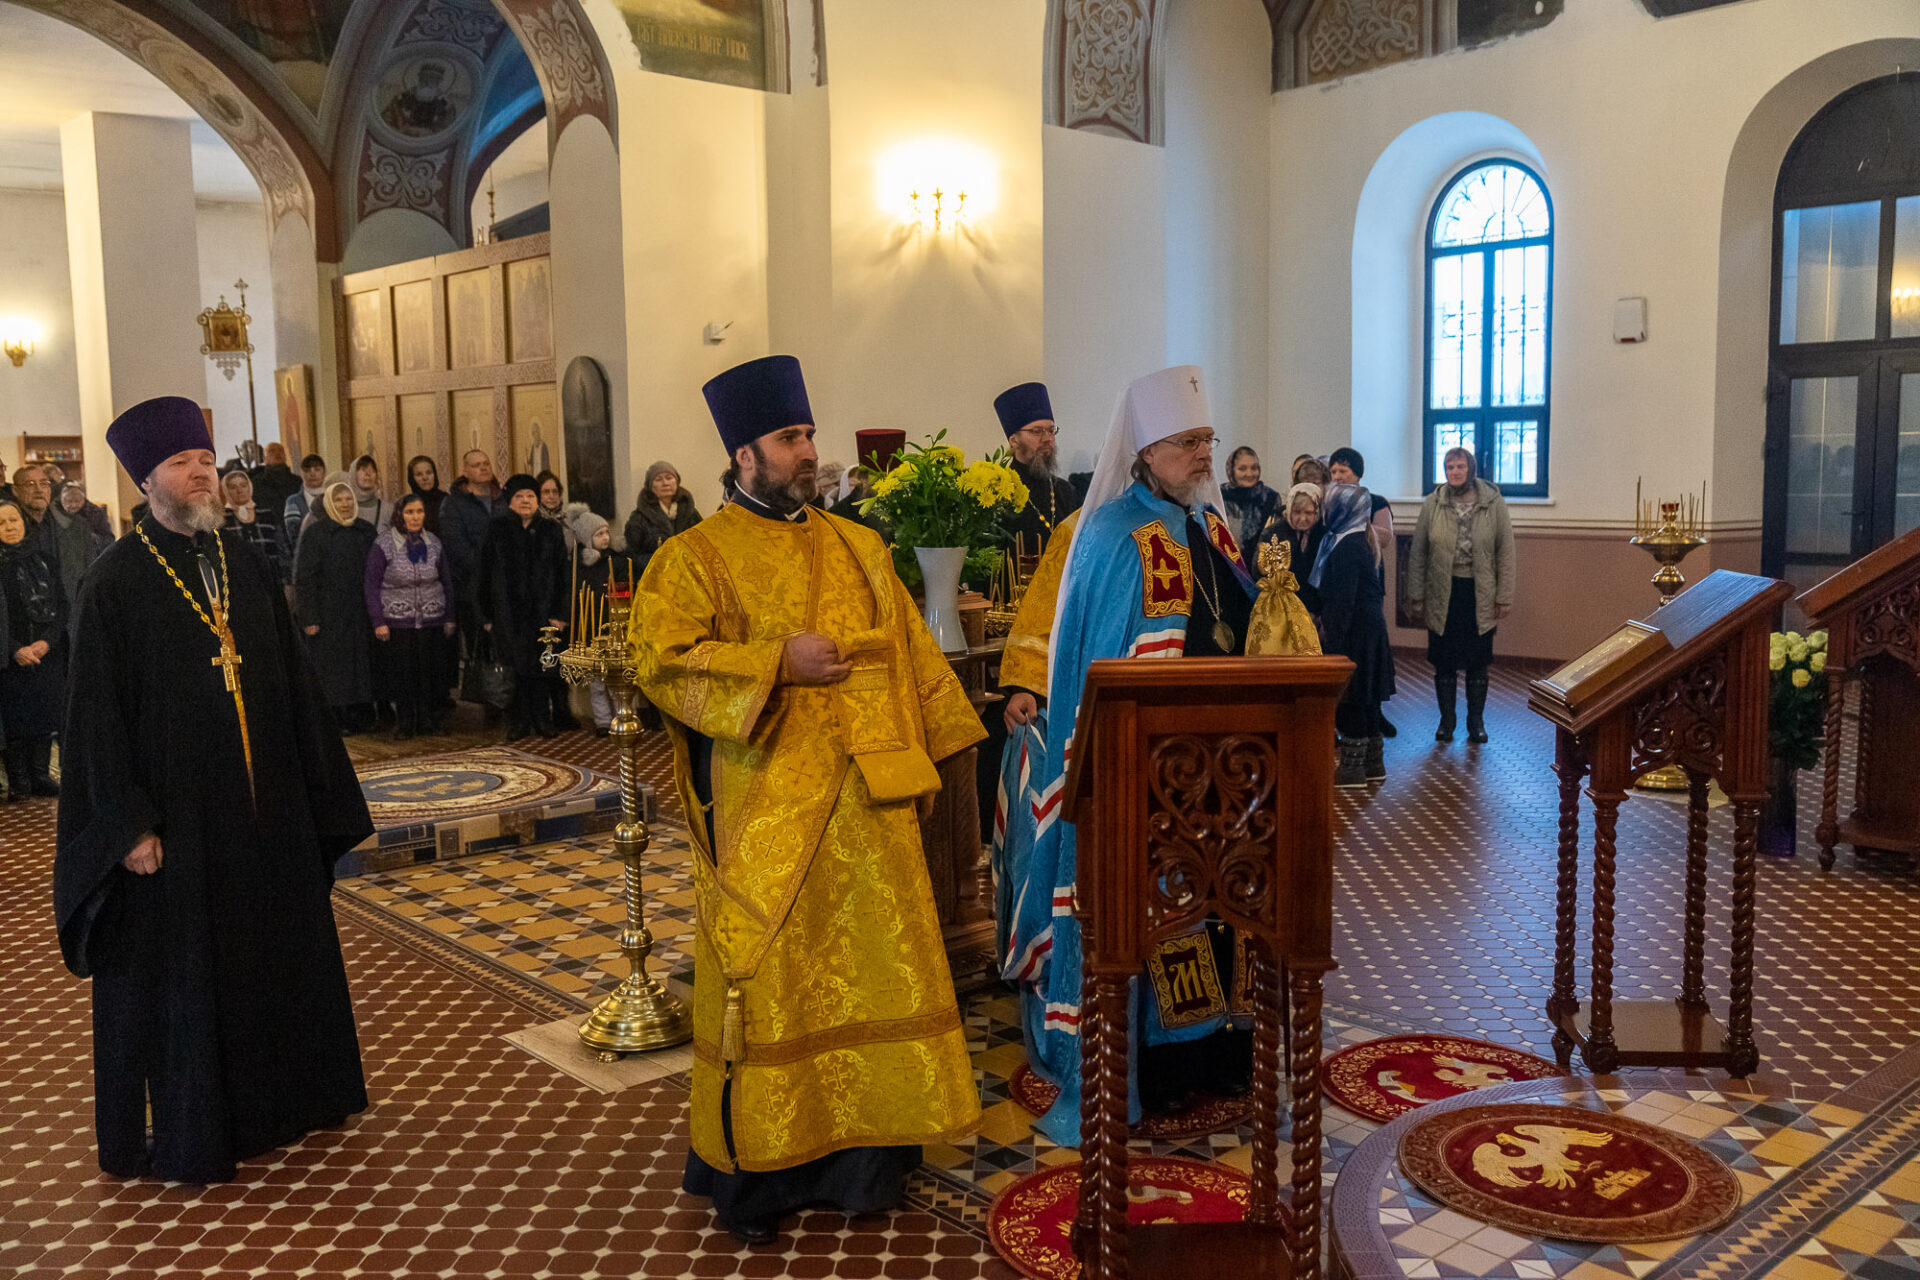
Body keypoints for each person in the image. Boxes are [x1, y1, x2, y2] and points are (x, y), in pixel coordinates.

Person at [633, 355, 983, 1246]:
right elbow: (661, 661)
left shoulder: (859, 544)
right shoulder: (693, 559)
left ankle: (870, 1163)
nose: (808, 453)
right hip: (766, 815)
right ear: (743, 454)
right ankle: (767, 1171)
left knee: (876, 966)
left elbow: (912, 657)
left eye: (809, 435)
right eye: (790, 439)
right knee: (778, 981)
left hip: (873, 804)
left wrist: (945, 765)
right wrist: (773, 664)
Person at [53, 395, 370, 1183]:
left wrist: (317, 793)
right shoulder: (115, 583)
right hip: (182, 825)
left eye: (204, 462)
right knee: (200, 977)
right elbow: (93, 720)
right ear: (146, 482)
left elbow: (293, 685)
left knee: (281, 955)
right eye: (180, 465)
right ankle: (212, 1122)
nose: (200, 476)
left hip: (270, 816)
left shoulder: (244, 564)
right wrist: (127, 826)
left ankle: (294, 1100)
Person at [1007, 365, 1257, 1147]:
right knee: (1157, 913)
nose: (1204, 454)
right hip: (1147, 770)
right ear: (1147, 451)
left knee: (1217, 912)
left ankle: (1218, 1049)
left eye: (1208, 440)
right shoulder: (1115, 534)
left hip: (1230, 765)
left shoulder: (1214, 528)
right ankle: (1153, 1061)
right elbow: (1105, 661)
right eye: (1189, 443)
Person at [1406, 447, 1515, 744]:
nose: (1454, 471)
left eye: (1460, 466)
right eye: (1449, 466)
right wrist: (1415, 594)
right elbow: (1418, 552)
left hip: (1478, 592)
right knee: (1444, 661)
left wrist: (1504, 595)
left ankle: (1475, 722)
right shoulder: (1434, 503)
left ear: (1471, 469)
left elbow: (1505, 551)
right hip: (1443, 592)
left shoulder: (1492, 502)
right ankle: (1447, 721)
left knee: (1478, 662)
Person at [1303, 483, 1395, 787]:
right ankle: (1373, 765)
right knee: (1367, 700)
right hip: (1368, 629)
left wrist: (1333, 644)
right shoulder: (1354, 537)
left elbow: (1343, 600)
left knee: (1351, 699)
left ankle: (1353, 770)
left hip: (1354, 632)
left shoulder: (1347, 546)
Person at [477, 474, 569, 739]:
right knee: (516, 670)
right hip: (508, 615)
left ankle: (542, 719)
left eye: (530, 496)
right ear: (510, 500)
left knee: (543, 668)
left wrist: (561, 614)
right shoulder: (497, 529)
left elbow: (563, 574)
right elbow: (482, 574)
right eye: (519, 496)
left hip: (544, 616)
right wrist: (485, 616)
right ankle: (518, 722)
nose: (526, 501)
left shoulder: (550, 530)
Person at [366, 494, 455, 740]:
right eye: (410, 512)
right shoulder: (384, 544)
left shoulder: (434, 542)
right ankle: (405, 722)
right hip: (398, 621)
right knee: (403, 674)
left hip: (431, 619)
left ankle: (426, 721)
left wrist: (449, 616)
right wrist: (379, 621)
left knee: (429, 672)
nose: (415, 517)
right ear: (399, 515)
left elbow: (445, 580)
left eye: (419, 512)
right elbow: (371, 585)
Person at [294, 480, 378, 733]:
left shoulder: (365, 531)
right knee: (334, 667)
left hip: (362, 611)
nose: (344, 504)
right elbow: (305, 578)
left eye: (348, 499)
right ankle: (337, 718)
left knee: (362, 664)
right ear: (329, 503)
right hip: (328, 613)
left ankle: (363, 713)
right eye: (339, 499)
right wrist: (309, 618)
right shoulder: (316, 533)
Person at [1326, 447, 1398, 737]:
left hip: (1364, 586)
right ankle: (1365, 730)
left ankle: (1371, 719)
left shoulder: (1374, 503)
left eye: (1343, 470)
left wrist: (1356, 522)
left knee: (1365, 659)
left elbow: (1386, 537)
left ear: (1357, 472)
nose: (1337, 476)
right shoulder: (1330, 503)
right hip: (1343, 586)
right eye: (1333, 471)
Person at [0, 498, 66, 798]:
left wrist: (47, 642)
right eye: (1, 522)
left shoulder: (45, 560)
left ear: (24, 521)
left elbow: (63, 606)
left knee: (44, 715)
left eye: (13, 519)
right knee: (14, 719)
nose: (9, 527)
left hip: (45, 652)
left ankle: (40, 776)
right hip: (9, 655)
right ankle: (19, 781)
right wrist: (15, 649)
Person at [563, 503, 633, 734]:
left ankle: (623, 715)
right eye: (598, 534)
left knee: (616, 678)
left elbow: (624, 589)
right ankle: (603, 721)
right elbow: (575, 595)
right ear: (585, 538)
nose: (604, 538)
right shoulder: (579, 565)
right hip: (592, 628)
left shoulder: (617, 560)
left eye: (605, 533)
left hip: (614, 625)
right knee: (597, 681)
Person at [992, 382, 1081, 558]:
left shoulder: (1066, 492)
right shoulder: (998, 494)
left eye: (1051, 430)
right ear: (1013, 440)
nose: (1048, 439)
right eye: (1037, 431)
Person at [442, 449, 503, 697]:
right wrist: (485, 572)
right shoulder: (454, 504)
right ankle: (487, 697)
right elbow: (456, 545)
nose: (483, 468)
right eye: (477, 465)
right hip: (471, 588)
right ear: (466, 471)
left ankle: (506, 695)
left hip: (504, 586)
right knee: (481, 644)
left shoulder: (503, 499)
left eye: (486, 463)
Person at [12, 463, 100, 610]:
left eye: (44, 483)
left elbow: (90, 576)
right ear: (15, 490)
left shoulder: (76, 526)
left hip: (69, 618)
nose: (39, 490)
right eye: (30, 484)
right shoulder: (8, 529)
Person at [623, 461, 702, 571]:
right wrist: (661, 561)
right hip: (656, 578)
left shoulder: (691, 513)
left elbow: (702, 546)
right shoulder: (639, 518)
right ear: (651, 486)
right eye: (658, 479)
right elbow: (631, 556)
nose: (665, 483)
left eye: (669, 478)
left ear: (676, 481)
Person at [221, 466, 284, 585]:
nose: (239, 490)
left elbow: (281, 548)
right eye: (233, 487)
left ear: (249, 487)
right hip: (237, 582)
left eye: (243, 485)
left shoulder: (267, 514)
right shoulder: (221, 519)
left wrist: (286, 579)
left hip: (271, 579)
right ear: (226, 490)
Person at [1221, 445, 1279, 555]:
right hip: (1228, 564)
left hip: (1261, 565)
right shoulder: (1220, 496)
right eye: (1242, 469)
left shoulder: (1270, 498)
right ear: (1231, 470)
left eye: (1254, 468)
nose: (1249, 474)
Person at [1262, 481, 1325, 574]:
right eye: (1297, 512)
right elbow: (1260, 570)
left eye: (1308, 512)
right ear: (1289, 510)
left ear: (1317, 511)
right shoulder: (1273, 534)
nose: (1302, 519)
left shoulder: (1324, 536)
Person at [280, 453, 329, 563]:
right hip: (305, 559)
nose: (312, 474)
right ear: (301, 473)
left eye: (317, 469)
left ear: (324, 471)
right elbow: (294, 536)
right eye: (307, 470)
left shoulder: (333, 498)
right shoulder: (293, 501)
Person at [249, 441, 301, 519]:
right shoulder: (256, 484)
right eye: (271, 451)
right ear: (264, 458)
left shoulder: (297, 481)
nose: (277, 453)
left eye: (281, 450)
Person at [407, 454, 447, 534]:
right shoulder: (406, 504)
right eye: (419, 474)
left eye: (429, 473)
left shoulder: (447, 501)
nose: (425, 478)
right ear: (412, 478)